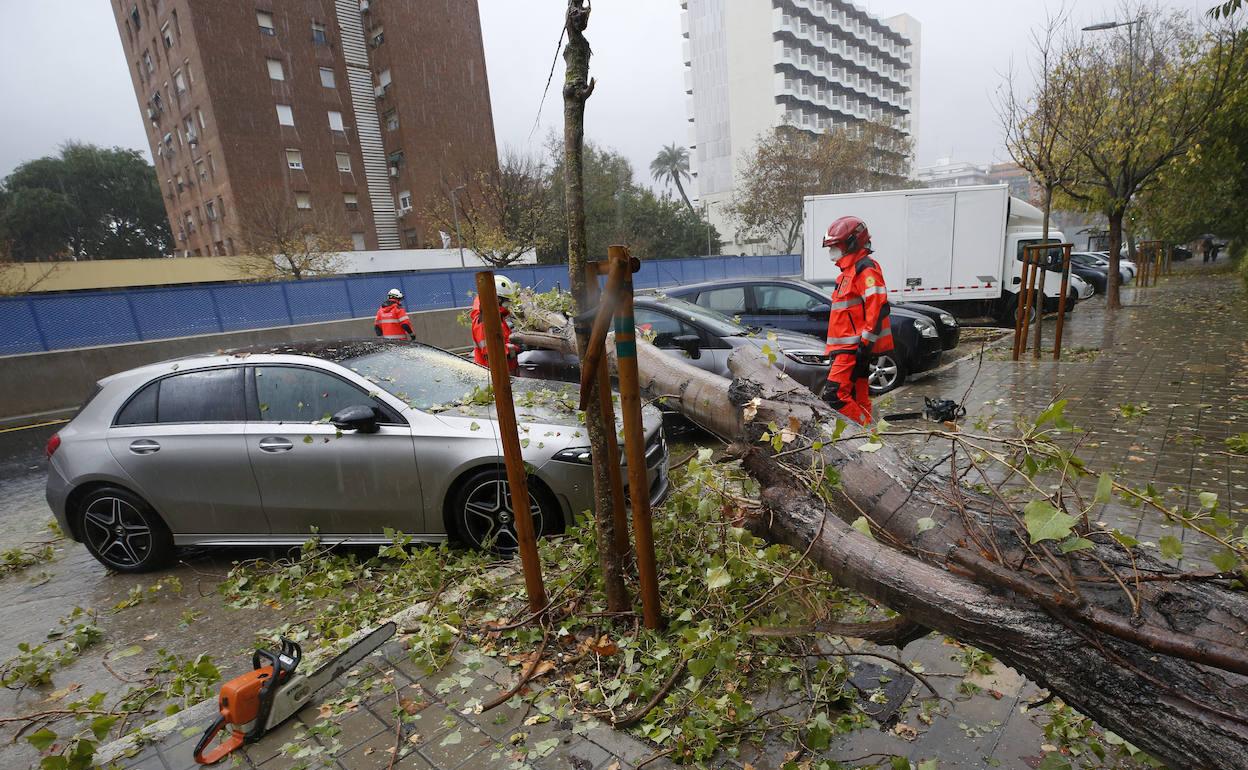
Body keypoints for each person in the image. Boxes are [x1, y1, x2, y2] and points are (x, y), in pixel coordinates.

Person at [820, 215, 892, 426]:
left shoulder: (864, 269)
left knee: (834, 397)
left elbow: (877, 306)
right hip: (847, 348)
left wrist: (865, 344)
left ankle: (865, 432)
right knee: (858, 396)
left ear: (852, 243)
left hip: (852, 348)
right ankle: (870, 437)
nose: (832, 251)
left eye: (836, 245)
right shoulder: (847, 274)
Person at [470, 274, 519, 374]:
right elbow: (493, 352)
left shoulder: (496, 317)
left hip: (504, 373)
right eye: (506, 301)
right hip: (495, 376)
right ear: (497, 299)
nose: (508, 304)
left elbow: (503, 340)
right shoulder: (485, 321)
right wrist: (516, 348)